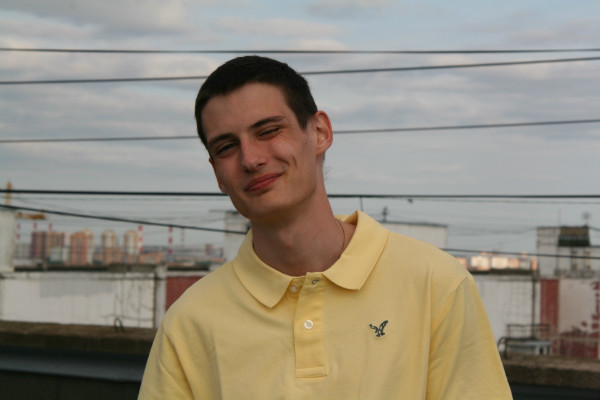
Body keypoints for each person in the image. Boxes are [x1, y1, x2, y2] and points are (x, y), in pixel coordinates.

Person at [138, 56, 512, 399]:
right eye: (226, 147)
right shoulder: (188, 324)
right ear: (217, 173)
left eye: (268, 131)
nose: (250, 158)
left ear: (319, 132)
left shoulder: (435, 284)